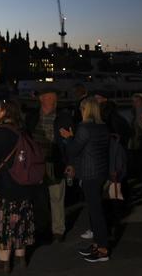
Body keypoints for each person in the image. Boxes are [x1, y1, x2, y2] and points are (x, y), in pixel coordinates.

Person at [0, 99, 35, 273]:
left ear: (4, 111)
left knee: (3, 224)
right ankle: (21, 258)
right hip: (24, 186)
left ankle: (4, 263)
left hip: (4, 187)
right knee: (20, 222)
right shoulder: (23, 131)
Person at [60, 97, 111, 263]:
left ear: (85, 110)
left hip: (90, 174)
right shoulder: (103, 126)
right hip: (100, 172)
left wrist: (68, 137)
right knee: (95, 209)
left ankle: (102, 249)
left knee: (95, 211)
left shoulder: (84, 127)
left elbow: (74, 150)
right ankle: (98, 244)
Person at [24, 88, 74, 242]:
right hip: (36, 163)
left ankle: (58, 230)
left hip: (55, 161)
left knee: (57, 197)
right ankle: (41, 228)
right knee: (38, 198)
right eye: (50, 98)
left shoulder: (64, 117)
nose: (53, 101)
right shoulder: (32, 117)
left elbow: (71, 142)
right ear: (41, 99)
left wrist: (71, 163)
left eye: (54, 98)